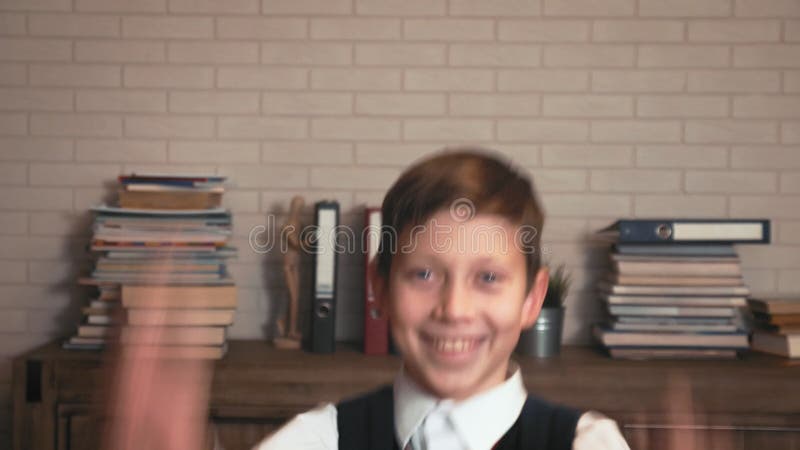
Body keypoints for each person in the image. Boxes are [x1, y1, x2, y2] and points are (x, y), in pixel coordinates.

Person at [255, 149, 630, 450]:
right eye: (424, 275)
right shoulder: (316, 441)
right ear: (381, 288)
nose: (454, 309)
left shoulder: (588, 444)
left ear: (532, 299)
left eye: (488, 278)